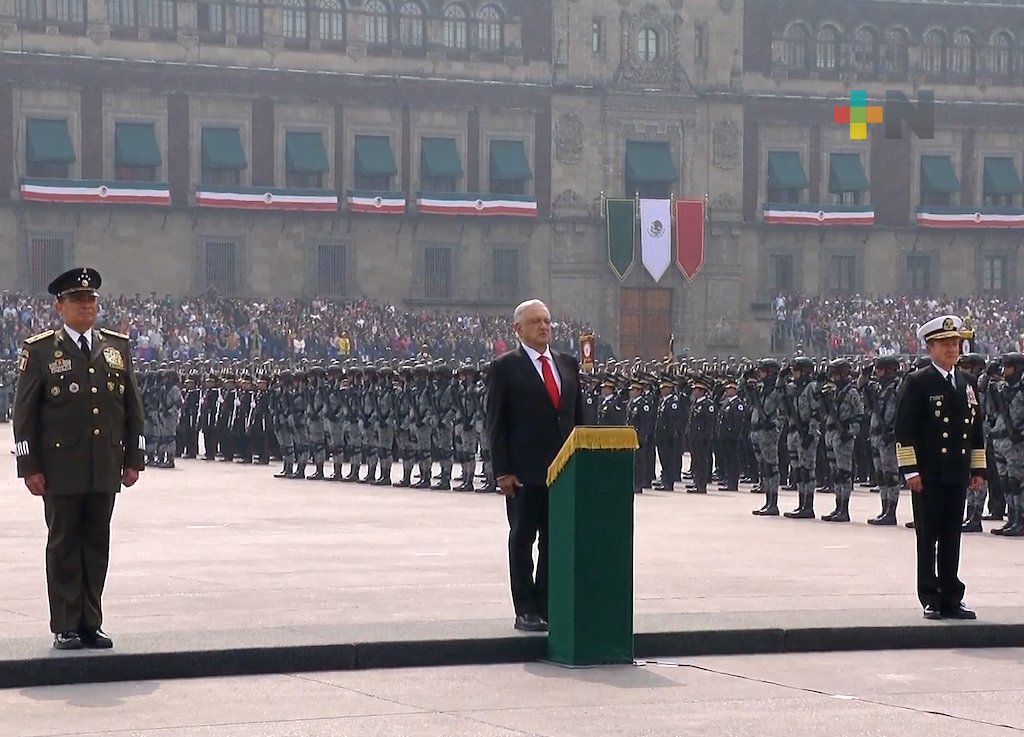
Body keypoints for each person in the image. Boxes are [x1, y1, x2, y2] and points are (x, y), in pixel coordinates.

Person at [12, 268, 146, 650]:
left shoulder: (115, 348)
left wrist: (134, 457)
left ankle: (92, 621)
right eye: (77, 300)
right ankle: (66, 623)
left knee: (96, 545)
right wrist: (29, 466)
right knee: (64, 545)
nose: (86, 306)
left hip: (103, 465)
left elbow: (131, 408)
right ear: (60, 306)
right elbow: (25, 415)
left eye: (91, 300)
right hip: (60, 468)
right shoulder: (40, 351)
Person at [485, 299, 584, 633]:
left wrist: (582, 464)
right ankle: (525, 608)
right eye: (536, 322)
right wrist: (502, 471)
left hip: (563, 472)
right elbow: (496, 423)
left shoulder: (568, 365)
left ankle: (546, 605)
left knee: (555, 541)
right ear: (519, 329)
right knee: (523, 539)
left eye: (547, 321)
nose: (544, 327)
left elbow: (578, 421)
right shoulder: (506, 367)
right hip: (524, 473)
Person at [894, 315, 985, 621]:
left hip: (956, 472)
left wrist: (978, 470)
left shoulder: (967, 382)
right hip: (929, 474)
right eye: (945, 344)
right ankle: (930, 596)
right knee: (928, 535)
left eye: (956, 343)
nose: (952, 349)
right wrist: (910, 471)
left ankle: (951, 595)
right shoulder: (918, 382)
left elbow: (975, 430)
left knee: (951, 536)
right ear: (930, 347)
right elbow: (903, 429)